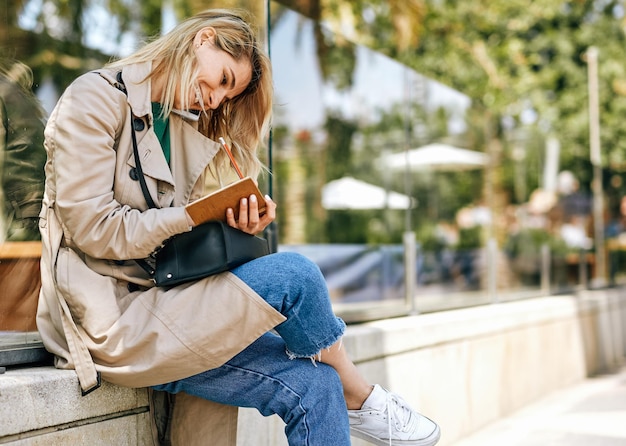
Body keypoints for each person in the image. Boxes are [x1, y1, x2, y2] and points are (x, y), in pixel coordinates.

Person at [36, 8, 440, 446]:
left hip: (171, 308)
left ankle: (345, 391)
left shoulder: (180, 128)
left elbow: (178, 247)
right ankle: (361, 396)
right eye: (224, 79)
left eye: (226, 97)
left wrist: (235, 223)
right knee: (296, 275)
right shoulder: (93, 98)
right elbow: (93, 227)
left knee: (316, 387)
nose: (214, 100)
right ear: (202, 39)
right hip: (109, 321)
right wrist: (192, 215)